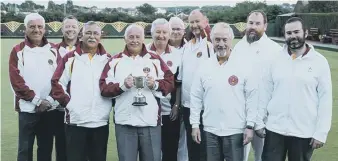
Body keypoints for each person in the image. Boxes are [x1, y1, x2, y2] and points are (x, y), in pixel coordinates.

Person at [259, 17, 332, 161]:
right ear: (284, 35)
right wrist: (259, 121)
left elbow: (325, 99)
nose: (293, 36)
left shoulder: (319, 62)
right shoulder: (274, 59)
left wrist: (321, 133)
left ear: (305, 33)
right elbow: (265, 93)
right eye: (289, 33)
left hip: (303, 132)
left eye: (296, 32)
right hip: (275, 129)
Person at [99, 24, 174, 161]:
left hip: (150, 122)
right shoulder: (115, 61)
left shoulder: (155, 59)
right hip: (125, 123)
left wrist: (155, 85)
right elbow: (104, 88)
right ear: (125, 39)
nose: (134, 40)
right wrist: (122, 86)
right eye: (131, 37)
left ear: (144, 38)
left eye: (138, 37)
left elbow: (170, 83)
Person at [190, 22, 257, 161]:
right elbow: (196, 97)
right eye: (217, 40)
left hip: (235, 130)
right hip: (210, 130)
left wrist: (250, 125)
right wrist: (195, 124)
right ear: (212, 41)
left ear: (231, 40)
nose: (221, 44)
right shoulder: (204, 66)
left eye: (224, 40)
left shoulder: (243, 65)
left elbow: (252, 97)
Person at [51, 21, 112, 161]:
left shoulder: (108, 59)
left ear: (100, 36)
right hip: (76, 121)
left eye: (95, 33)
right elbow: (56, 83)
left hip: (100, 121)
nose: (92, 37)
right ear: (81, 35)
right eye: (88, 33)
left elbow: (113, 87)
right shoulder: (70, 58)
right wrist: (70, 105)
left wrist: (107, 108)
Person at [230, 10, 282, 161]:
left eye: (257, 23)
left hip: (265, 118)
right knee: (239, 157)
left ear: (265, 26)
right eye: (250, 23)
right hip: (240, 116)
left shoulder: (275, 50)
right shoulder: (238, 47)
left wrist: (263, 117)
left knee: (263, 157)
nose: (253, 26)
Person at [9, 13, 61, 161]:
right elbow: (16, 81)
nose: (36, 30)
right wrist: (37, 101)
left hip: (49, 108)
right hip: (27, 109)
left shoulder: (54, 49)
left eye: (40, 27)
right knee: (25, 151)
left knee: (45, 149)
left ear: (44, 30)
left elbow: (59, 79)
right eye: (32, 26)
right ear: (25, 29)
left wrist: (49, 101)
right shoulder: (18, 50)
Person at [177, 9, 214, 161]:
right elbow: (182, 77)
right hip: (188, 107)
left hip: (205, 107)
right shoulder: (186, 46)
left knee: (205, 150)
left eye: (197, 21)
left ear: (205, 21)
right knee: (192, 149)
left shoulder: (210, 45)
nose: (194, 25)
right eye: (191, 22)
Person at [146, 18, 181, 161]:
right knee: (148, 152)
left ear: (169, 33)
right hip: (146, 112)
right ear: (152, 32)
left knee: (170, 150)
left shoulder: (177, 54)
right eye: (158, 32)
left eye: (165, 32)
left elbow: (179, 83)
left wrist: (176, 106)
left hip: (169, 111)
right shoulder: (144, 52)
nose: (161, 35)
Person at [168, 16, 189, 161]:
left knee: (185, 141)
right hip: (164, 102)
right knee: (167, 140)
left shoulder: (191, 48)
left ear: (184, 31)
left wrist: (177, 103)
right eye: (172, 29)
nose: (175, 32)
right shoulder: (155, 47)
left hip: (186, 101)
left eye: (178, 29)